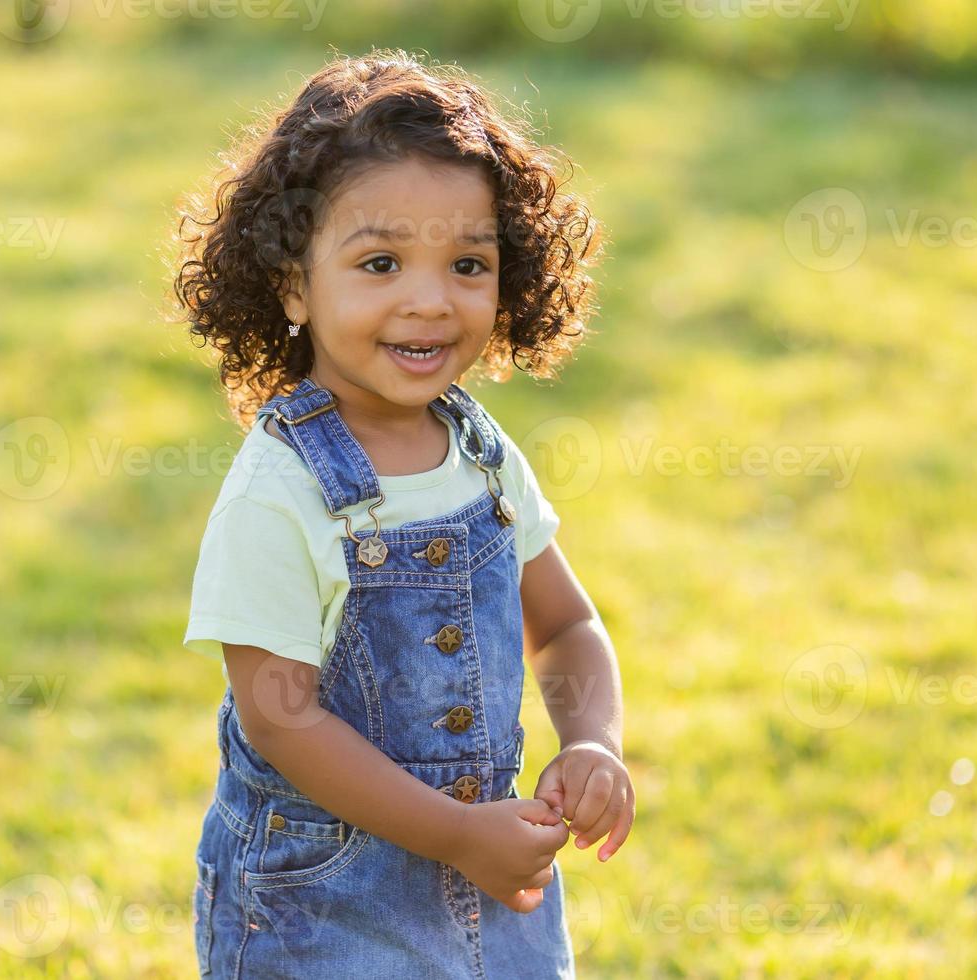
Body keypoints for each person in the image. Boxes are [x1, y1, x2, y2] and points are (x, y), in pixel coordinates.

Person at [171, 47, 632, 978]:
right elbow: (279, 716)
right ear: (294, 283)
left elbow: (569, 622)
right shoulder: (281, 488)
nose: (429, 300)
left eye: (468, 263)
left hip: (494, 884)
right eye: (379, 263)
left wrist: (591, 740)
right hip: (320, 910)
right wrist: (455, 833)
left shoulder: (481, 452)